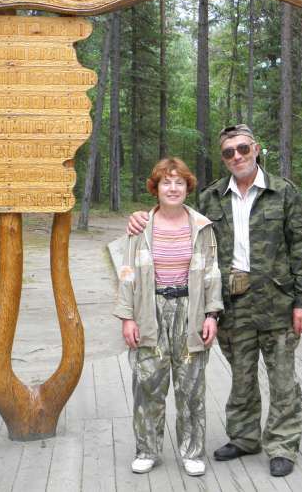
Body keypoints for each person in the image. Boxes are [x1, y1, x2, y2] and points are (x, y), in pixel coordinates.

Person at [127, 124, 302, 477]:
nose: (237, 156)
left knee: (282, 378)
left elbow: (301, 248)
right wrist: (140, 217)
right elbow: (177, 219)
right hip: (234, 301)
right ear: (224, 158)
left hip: (278, 299)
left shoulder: (283, 192)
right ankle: (245, 437)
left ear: (256, 149)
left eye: (243, 148)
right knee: (241, 375)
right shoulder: (212, 197)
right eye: (229, 152)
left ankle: (282, 444)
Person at [114, 157, 223, 477]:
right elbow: (127, 273)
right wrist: (127, 318)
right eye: (166, 182)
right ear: (156, 188)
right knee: (148, 384)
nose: (173, 188)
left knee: (191, 387)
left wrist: (211, 315)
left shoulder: (202, 227)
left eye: (179, 182)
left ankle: (192, 451)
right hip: (150, 310)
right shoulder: (140, 228)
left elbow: (212, 273)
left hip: (190, 312)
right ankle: (147, 450)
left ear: (187, 187)